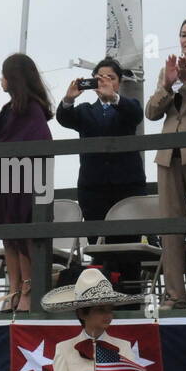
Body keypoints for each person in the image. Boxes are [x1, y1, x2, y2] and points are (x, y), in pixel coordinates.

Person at [55, 57, 147, 289]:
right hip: (93, 187)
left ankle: (131, 294)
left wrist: (113, 98)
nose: (105, 82)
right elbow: (64, 118)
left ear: (118, 83)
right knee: (99, 244)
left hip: (127, 185)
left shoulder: (128, 104)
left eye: (111, 78)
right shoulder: (85, 110)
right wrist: (69, 98)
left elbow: (135, 116)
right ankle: (101, 293)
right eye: (99, 78)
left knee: (128, 243)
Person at [0, 52, 53, 311]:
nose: (1, 80)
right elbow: (1, 140)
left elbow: (38, 141)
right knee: (9, 238)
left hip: (25, 183)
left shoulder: (32, 108)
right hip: (4, 180)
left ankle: (29, 291)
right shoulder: (8, 110)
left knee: (23, 237)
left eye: (4, 75)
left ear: (15, 78)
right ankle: (13, 289)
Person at [145, 16, 186, 308]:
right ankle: (175, 295)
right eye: (184, 34)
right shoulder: (167, 70)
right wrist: (168, 85)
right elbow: (152, 112)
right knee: (170, 228)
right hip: (169, 156)